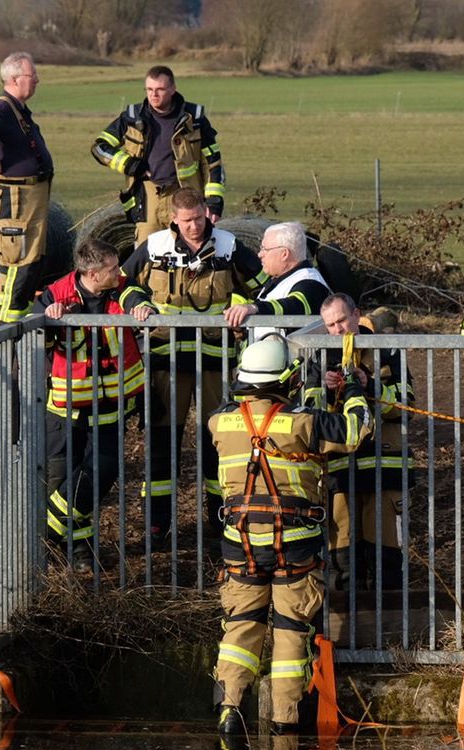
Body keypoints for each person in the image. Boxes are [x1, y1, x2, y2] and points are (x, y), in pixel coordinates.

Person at [209, 334, 371, 734]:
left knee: (240, 626)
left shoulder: (220, 422)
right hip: (294, 546)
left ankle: (229, 710)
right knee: (291, 630)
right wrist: (352, 388)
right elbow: (357, 429)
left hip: (241, 544)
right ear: (286, 380)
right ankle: (285, 724)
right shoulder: (304, 423)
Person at [122, 187, 265, 543]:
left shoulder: (228, 246)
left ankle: (220, 519)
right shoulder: (155, 247)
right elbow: (121, 284)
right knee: (161, 442)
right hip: (164, 362)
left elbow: (264, 285)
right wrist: (138, 302)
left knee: (217, 440)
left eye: (199, 218)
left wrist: (247, 307)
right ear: (173, 218)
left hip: (213, 361)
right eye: (186, 220)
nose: (194, 226)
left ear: (206, 213)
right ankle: (157, 524)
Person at [39, 238, 155, 570]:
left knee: (98, 476)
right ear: (92, 274)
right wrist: (48, 318)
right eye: (112, 268)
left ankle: (46, 533)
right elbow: (34, 334)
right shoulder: (56, 294)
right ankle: (80, 552)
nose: (119, 273)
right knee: (64, 480)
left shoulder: (121, 287)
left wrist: (143, 308)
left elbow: (136, 295)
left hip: (110, 407)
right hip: (66, 408)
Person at [304, 293, 414, 593]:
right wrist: (327, 392)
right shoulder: (320, 357)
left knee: (386, 558)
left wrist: (372, 386)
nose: (337, 330)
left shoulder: (386, 351)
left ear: (356, 315)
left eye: (341, 321)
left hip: (384, 468)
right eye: (330, 325)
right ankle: (345, 618)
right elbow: (308, 413)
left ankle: (389, 617)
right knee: (343, 558)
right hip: (341, 470)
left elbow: (406, 406)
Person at [91, 65, 226, 242]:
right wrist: (129, 164)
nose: (154, 95)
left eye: (160, 89)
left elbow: (213, 162)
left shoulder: (194, 119)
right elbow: (100, 147)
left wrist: (214, 202)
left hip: (185, 197)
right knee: (146, 253)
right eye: (149, 89)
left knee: (188, 251)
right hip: (147, 197)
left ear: (173, 89)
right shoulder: (132, 117)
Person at [0, 51, 54, 324]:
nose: (37, 80)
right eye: (32, 75)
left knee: (28, 262)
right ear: (15, 79)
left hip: (28, 198)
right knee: (19, 263)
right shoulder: (3, 108)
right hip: (16, 200)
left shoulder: (17, 109)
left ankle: (15, 321)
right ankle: (8, 327)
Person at [223, 221, 331, 338]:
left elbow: (295, 305)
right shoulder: (282, 279)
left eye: (265, 249)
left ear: (284, 254)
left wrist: (255, 308)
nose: (260, 254)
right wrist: (243, 326)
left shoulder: (310, 283)